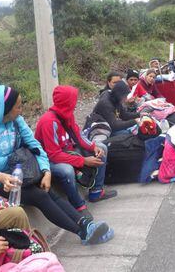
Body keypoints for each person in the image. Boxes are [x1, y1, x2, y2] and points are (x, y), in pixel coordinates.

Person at [0, 85, 114, 246]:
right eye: (18, 107)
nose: (21, 110)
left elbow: (36, 147)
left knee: (48, 190)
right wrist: (0, 176)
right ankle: (82, 232)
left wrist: (46, 171)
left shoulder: (17, 121)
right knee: (40, 196)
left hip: (20, 171)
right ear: (4, 108)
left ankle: (86, 224)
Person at [35, 85, 117, 215]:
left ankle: (96, 191)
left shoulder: (67, 115)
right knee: (66, 170)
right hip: (48, 160)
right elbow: (54, 155)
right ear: (66, 102)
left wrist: (93, 147)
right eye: (73, 100)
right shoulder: (48, 122)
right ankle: (78, 205)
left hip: (68, 152)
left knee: (102, 147)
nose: (76, 103)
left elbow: (78, 137)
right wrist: (83, 161)